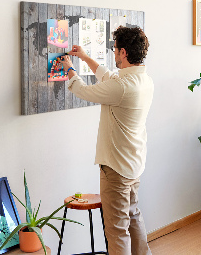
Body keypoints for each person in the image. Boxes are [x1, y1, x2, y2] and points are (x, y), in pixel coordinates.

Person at [58, 26, 153, 255]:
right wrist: (85, 57)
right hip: (133, 164)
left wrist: (69, 68)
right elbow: (109, 77)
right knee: (133, 218)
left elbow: (83, 90)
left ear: (123, 52)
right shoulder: (144, 81)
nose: (113, 54)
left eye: (114, 50)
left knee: (117, 230)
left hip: (116, 168)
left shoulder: (121, 87)